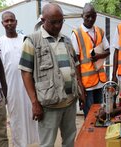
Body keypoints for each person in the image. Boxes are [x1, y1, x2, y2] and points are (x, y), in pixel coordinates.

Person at [19, 3, 84, 147]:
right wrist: (35, 103)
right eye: (53, 22)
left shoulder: (67, 40)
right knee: (47, 143)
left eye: (61, 21)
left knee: (69, 141)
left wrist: (81, 90)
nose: (58, 25)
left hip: (70, 102)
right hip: (49, 105)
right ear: (43, 20)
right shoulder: (32, 41)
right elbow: (26, 73)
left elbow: (76, 66)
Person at [0, 11, 39, 147]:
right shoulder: (0, 42)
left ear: (16, 22)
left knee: (32, 116)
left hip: (28, 87)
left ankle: (35, 143)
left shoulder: (25, 39)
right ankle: (18, 144)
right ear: (2, 24)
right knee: (16, 118)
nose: (9, 23)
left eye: (12, 20)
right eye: (6, 21)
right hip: (11, 88)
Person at [71, 3, 110, 117]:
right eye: (87, 16)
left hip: (100, 81)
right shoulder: (76, 34)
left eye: (93, 16)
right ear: (82, 16)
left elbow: (108, 51)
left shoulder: (100, 31)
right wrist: (80, 86)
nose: (90, 19)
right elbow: (75, 62)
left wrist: (99, 56)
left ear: (96, 16)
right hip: (86, 83)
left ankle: (98, 134)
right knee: (90, 116)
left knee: (100, 113)